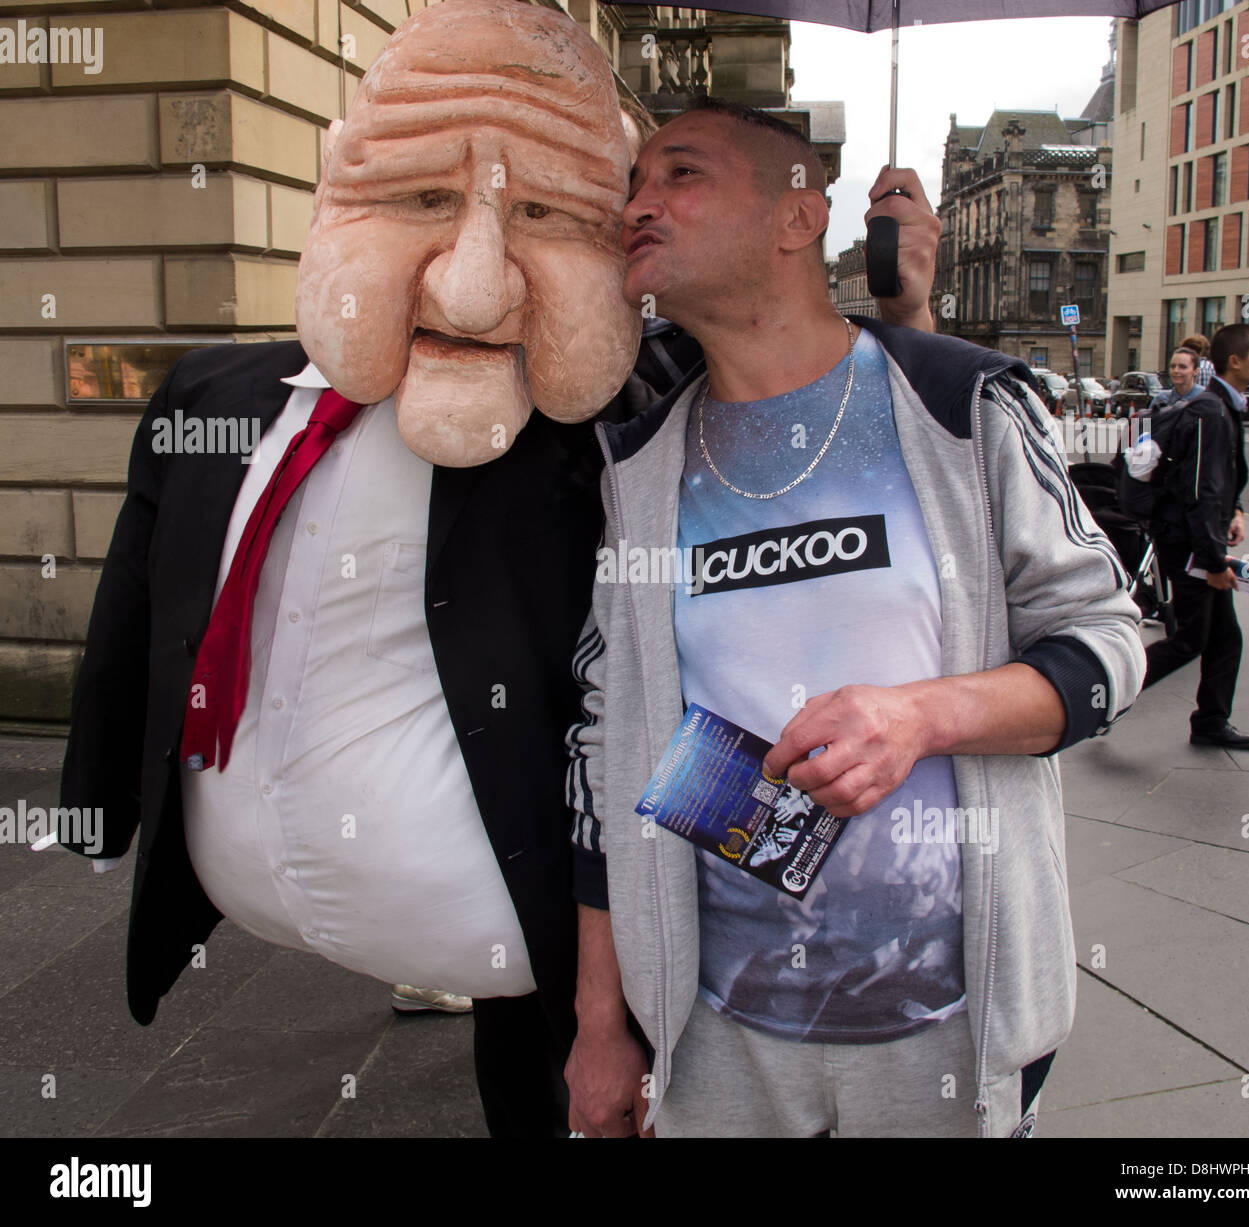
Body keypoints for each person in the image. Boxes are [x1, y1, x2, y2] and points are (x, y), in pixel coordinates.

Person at [54, 3, 940, 1137]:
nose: (473, 285)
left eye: (541, 215)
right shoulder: (213, 401)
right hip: (258, 888)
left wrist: (897, 306)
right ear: (335, 183)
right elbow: (136, 608)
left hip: (537, 933)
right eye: (422, 199)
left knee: (539, 1102)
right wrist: (94, 809)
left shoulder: (632, 425)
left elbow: (787, 402)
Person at [563, 97, 1144, 1139]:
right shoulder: (638, 468)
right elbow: (609, 752)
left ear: (797, 216)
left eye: (679, 175)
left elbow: (1106, 642)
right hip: (715, 1037)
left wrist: (922, 718)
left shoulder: (961, 409)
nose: (638, 204)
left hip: (944, 1028)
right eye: (632, 186)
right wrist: (603, 1024)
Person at [1141, 323, 1249, 750]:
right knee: (1191, 639)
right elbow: (1200, 494)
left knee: (1224, 637)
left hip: (1199, 541)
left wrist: (1233, 511)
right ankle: (1102, 692)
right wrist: (1214, 564)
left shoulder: (1223, 406)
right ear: (1236, 361)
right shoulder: (1212, 412)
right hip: (1190, 545)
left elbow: (1220, 484)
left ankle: (1211, 721)